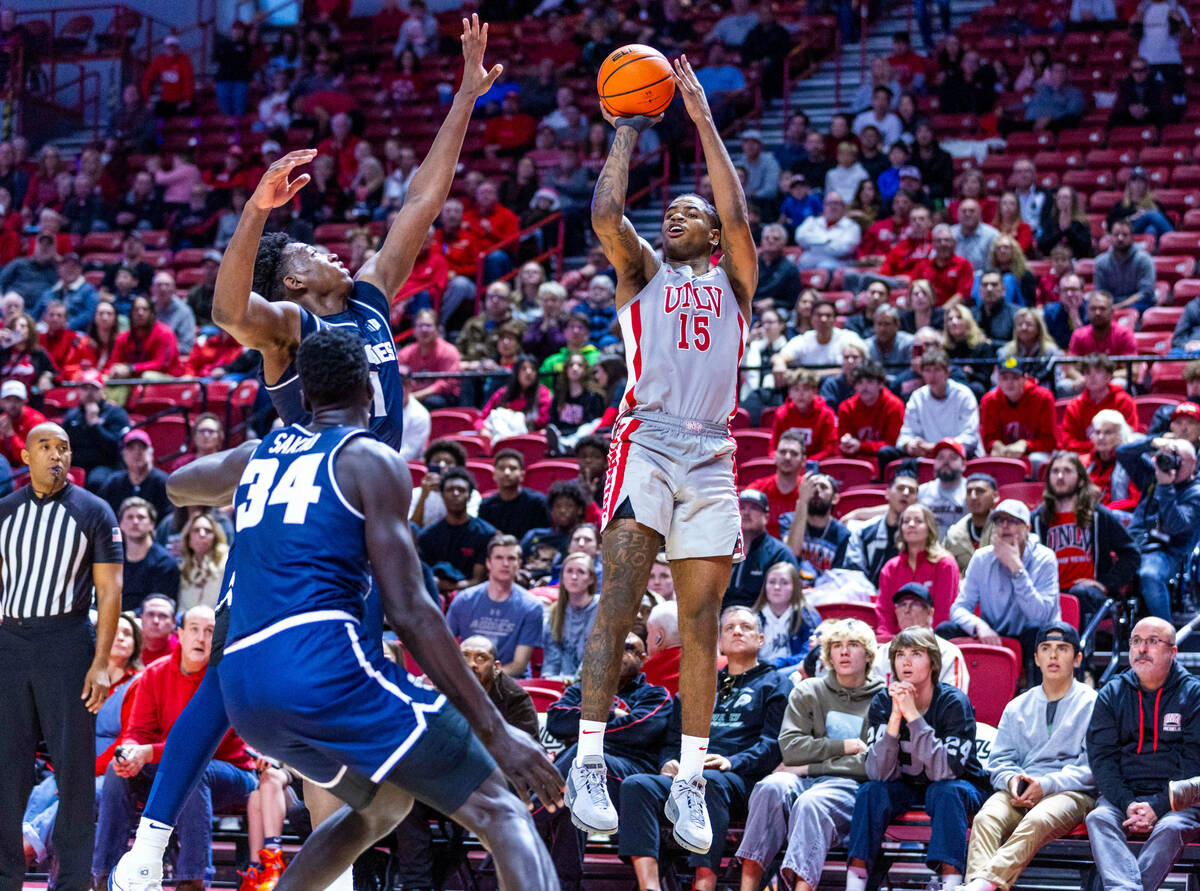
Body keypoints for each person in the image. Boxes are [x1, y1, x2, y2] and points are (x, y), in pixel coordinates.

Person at [150, 323, 561, 891]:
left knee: (383, 805)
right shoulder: (368, 458)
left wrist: (246, 475)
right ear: (371, 388)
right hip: (320, 670)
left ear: (307, 395)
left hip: (245, 693)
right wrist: (494, 731)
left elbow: (175, 484)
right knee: (501, 809)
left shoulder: (258, 453)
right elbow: (412, 610)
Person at [567, 54, 759, 853]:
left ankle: (688, 781)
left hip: (713, 451)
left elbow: (739, 213)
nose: (678, 215)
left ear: (714, 234)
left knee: (700, 624)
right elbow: (608, 216)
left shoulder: (735, 283)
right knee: (620, 597)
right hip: (646, 438)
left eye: (692, 211)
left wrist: (703, 117)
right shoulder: (642, 271)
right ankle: (585, 757)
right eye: (671, 209)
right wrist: (628, 131)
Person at [0, 421, 122, 891]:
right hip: (11, 645)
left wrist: (102, 662)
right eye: (45, 447)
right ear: (26, 457)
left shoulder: (94, 511)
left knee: (73, 775)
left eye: (64, 448)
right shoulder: (5, 511)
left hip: (68, 642)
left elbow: (111, 592)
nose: (56, 455)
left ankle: (72, 882)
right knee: (6, 770)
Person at [619, 606, 788, 891]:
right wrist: (669, 762)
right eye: (729, 627)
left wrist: (731, 761)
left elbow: (773, 745)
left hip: (741, 780)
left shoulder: (775, 683)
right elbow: (673, 741)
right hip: (690, 774)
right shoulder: (699, 684)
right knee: (637, 785)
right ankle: (649, 885)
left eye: (745, 627)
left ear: (760, 639)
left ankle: (704, 883)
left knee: (707, 782)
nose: (736, 631)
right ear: (719, 642)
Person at [92, 605, 257, 890]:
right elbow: (136, 732)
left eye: (210, 632)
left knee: (193, 771)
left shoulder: (225, 678)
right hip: (170, 768)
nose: (202, 638)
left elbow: (206, 743)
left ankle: (192, 880)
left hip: (232, 772)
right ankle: (105, 873)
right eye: (194, 629)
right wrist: (131, 751)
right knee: (117, 770)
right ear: (179, 633)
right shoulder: (155, 673)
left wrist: (149, 752)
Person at [735, 618, 884, 891]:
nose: (844, 652)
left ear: (869, 654)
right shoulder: (808, 690)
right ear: (828, 654)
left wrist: (808, 767)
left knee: (810, 803)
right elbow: (791, 750)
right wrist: (846, 746)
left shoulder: (882, 698)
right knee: (770, 786)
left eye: (853, 645)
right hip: (804, 779)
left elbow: (874, 764)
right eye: (836, 646)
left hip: (849, 786)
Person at [844, 626, 989, 891]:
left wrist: (914, 717)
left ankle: (951, 882)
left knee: (945, 791)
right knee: (869, 791)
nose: (906, 661)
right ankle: (855, 883)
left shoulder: (954, 702)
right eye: (900, 654)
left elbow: (945, 771)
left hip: (961, 786)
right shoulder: (883, 702)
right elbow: (877, 772)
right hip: (909, 785)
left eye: (916, 654)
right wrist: (895, 720)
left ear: (933, 663)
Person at [962, 623, 1097, 891]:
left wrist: (1045, 785)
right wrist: (1013, 781)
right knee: (986, 818)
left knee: (1037, 820)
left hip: (1072, 792)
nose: (1053, 656)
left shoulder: (1093, 702)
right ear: (1036, 658)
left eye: (1062, 649)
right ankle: (978, 885)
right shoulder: (1017, 705)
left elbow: (1092, 769)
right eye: (1045, 649)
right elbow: (1000, 762)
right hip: (1020, 789)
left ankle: (982, 883)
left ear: (1078, 658)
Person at [1085, 617, 1200, 891]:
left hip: (1178, 802)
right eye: (1136, 641)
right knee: (1098, 818)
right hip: (1122, 799)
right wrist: (1127, 803)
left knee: (1170, 828)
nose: (1141, 649)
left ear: (1173, 651)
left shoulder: (1194, 694)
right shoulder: (1112, 693)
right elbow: (1102, 761)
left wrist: (1158, 807)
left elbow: (1194, 762)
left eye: (1152, 641)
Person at [941, 499, 1061, 677]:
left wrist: (1017, 569)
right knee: (946, 629)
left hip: (1035, 634)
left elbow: (1039, 615)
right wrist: (979, 626)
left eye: (1012, 521)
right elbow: (958, 608)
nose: (1005, 526)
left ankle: (1040, 698)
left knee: (1037, 632)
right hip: (993, 632)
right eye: (999, 521)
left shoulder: (1045, 558)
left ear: (1027, 528)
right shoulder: (982, 558)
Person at [1118, 434, 1200, 620]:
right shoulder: (1153, 475)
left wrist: (1165, 487)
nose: (1172, 463)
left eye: (1178, 459)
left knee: (1150, 575)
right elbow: (1122, 453)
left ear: (1193, 462)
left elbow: (1174, 526)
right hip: (1135, 543)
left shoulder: (1195, 492)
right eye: (1169, 456)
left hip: (1169, 551)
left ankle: (1165, 634)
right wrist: (1153, 442)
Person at [446, 533, 544, 677]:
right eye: (499, 558)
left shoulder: (531, 606)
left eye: (511, 558)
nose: (505, 564)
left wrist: (482, 678)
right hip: (468, 678)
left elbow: (519, 665)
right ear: (488, 563)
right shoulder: (464, 600)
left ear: (519, 564)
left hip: (510, 683)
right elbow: (444, 647)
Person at [876, 504, 961, 640]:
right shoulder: (891, 567)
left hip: (933, 640)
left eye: (918, 521)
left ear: (930, 528)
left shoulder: (945, 564)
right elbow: (884, 612)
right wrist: (886, 641)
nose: (911, 524)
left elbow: (944, 612)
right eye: (906, 521)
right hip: (897, 641)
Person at [873, 583, 970, 690]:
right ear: (895, 612)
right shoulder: (882, 653)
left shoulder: (948, 652)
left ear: (930, 612)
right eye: (902, 604)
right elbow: (876, 701)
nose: (907, 609)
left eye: (915, 604)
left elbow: (955, 703)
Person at [418, 468, 496, 597]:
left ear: (470, 495)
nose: (455, 493)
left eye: (461, 490)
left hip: (473, 596)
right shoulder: (428, 536)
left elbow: (479, 580)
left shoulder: (486, 534)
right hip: (434, 596)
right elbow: (423, 576)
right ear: (442, 494)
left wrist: (452, 588)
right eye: (450, 490)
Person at [896, 348, 980, 458]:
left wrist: (936, 447)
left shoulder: (964, 394)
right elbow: (906, 434)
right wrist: (910, 445)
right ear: (922, 373)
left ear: (947, 372)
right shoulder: (917, 397)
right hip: (927, 456)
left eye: (937, 370)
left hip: (961, 456)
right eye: (927, 370)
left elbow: (970, 438)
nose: (932, 375)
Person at [723, 489, 798, 610]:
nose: (746, 513)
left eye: (754, 508)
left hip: (762, 621)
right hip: (720, 620)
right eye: (742, 507)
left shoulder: (780, 554)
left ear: (766, 517)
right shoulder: (721, 549)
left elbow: (790, 601)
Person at [846, 463, 919, 585]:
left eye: (911, 491)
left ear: (916, 500)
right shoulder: (863, 532)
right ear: (887, 494)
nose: (906, 493)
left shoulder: (920, 537)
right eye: (900, 488)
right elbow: (853, 574)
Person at [980, 357, 1058, 469]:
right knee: (993, 459)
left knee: (1036, 460)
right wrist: (997, 446)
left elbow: (1050, 442)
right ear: (998, 380)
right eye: (1004, 378)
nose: (1009, 383)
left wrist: (1025, 445)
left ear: (1024, 378)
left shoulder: (1043, 398)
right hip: (1004, 453)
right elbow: (988, 440)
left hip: (1035, 453)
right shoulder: (989, 401)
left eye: (1015, 378)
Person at [61, 369, 129, 490]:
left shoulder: (116, 414)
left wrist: (94, 425)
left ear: (103, 391)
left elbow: (116, 448)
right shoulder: (72, 416)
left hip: (107, 465)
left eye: (94, 388)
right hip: (78, 464)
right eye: (85, 388)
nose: (89, 393)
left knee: (96, 480)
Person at [1060, 354, 1138, 454]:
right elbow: (1068, 443)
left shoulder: (1124, 401)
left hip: (1117, 456)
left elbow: (1128, 437)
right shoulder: (1075, 406)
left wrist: (1101, 445)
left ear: (1109, 376)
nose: (1092, 377)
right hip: (1084, 459)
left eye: (1098, 372)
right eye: (1087, 373)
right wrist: (1099, 446)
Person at [541, 551, 600, 681]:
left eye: (581, 572)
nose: (574, 576)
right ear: (562, 577)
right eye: (569, 571)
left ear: (591, 579)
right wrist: (548, 679)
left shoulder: (603, 609)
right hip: (561, 682)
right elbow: (551, 661)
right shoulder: (555, 611)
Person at [837, 360, 906, 469]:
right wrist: (847, 442)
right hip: (857, 461)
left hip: (885, 462)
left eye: (869, 381)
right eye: (859, 383)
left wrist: (861, 446)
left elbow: (892, 444)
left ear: (880, 384)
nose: (864, 387)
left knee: (886, 452)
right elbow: (843, 439)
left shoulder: (894, 406)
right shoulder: (846, 407)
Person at [753, 560, 820, 668]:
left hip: (792, 671)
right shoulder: (753, 616)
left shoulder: (809, 616)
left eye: (784, 582)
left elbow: (810, 655)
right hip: (758, 670)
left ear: (795, 587)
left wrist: (779, 662)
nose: (777, 587)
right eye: (772, 582)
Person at [117, 496, 180, 611]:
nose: (135, 522)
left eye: (141, 517)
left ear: (152, 524)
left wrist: (127, 617)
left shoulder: (165, 563)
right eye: (130, 517)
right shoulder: (114, 559)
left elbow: (160, 604)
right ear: (121, 524)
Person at [785, 472, 852, 577]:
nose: (816, 490)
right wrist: (802, 501)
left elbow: (837, 577)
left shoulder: (843, 534)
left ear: (835, 498)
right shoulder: (788, 520)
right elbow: (791, 552)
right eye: (811, 487)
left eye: (823, 487)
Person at [100, 430, 171, 524]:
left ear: (151, 452)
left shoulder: (163, 482)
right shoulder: (114, 482)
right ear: (123, 454)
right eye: (131, 448)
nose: (137, 453)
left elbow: (169, 520)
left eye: (142, 448)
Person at [478, 448, 551, 540]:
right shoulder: (486, 506)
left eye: (512, 468)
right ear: (494, 475)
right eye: (501, 468)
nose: (506, 473)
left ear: (522, 475)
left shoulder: (538, 503)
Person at [769, 369, 838, 458]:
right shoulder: (781, 414)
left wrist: (805, 463)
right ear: (789, 393)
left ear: (815, 392)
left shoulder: (826, 415)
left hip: (816, 465)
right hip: (788, 462)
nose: (801, 394)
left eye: (806, 389)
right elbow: (774, 447)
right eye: (796, 389)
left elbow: (829, 449)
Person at [1093, 220, 1157, 312]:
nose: (1120, 238)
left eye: (1124, 235)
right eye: (1116, 234)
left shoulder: (1144, 259)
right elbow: (1100, 292)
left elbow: (1146, 292)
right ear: (1110, 237)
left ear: (1132, 237)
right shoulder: (1101, 262)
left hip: (1137, 304)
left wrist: (1119, 307)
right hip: (1110, 304)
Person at [944, 473, 997, 574]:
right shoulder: (954, 533)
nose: (973, 496)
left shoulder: (1005, 528)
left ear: (995, 496)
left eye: (980, 491)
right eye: (969, 492)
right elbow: (947, 570)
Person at [918, 439, 969, 534]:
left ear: (963, 464)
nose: (946, 462)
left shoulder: (971, 492)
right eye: (940, 457)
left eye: (952, 457)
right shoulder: (922, 491)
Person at [1068, 290, 1137, 359]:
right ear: (1087, 312)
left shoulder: (1124, 335)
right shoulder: (1078, 336)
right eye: (1093, 308)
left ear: (1112, 312)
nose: (1097, 313)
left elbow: (1132, 368)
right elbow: (1070, 368)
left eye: (1102, 308)